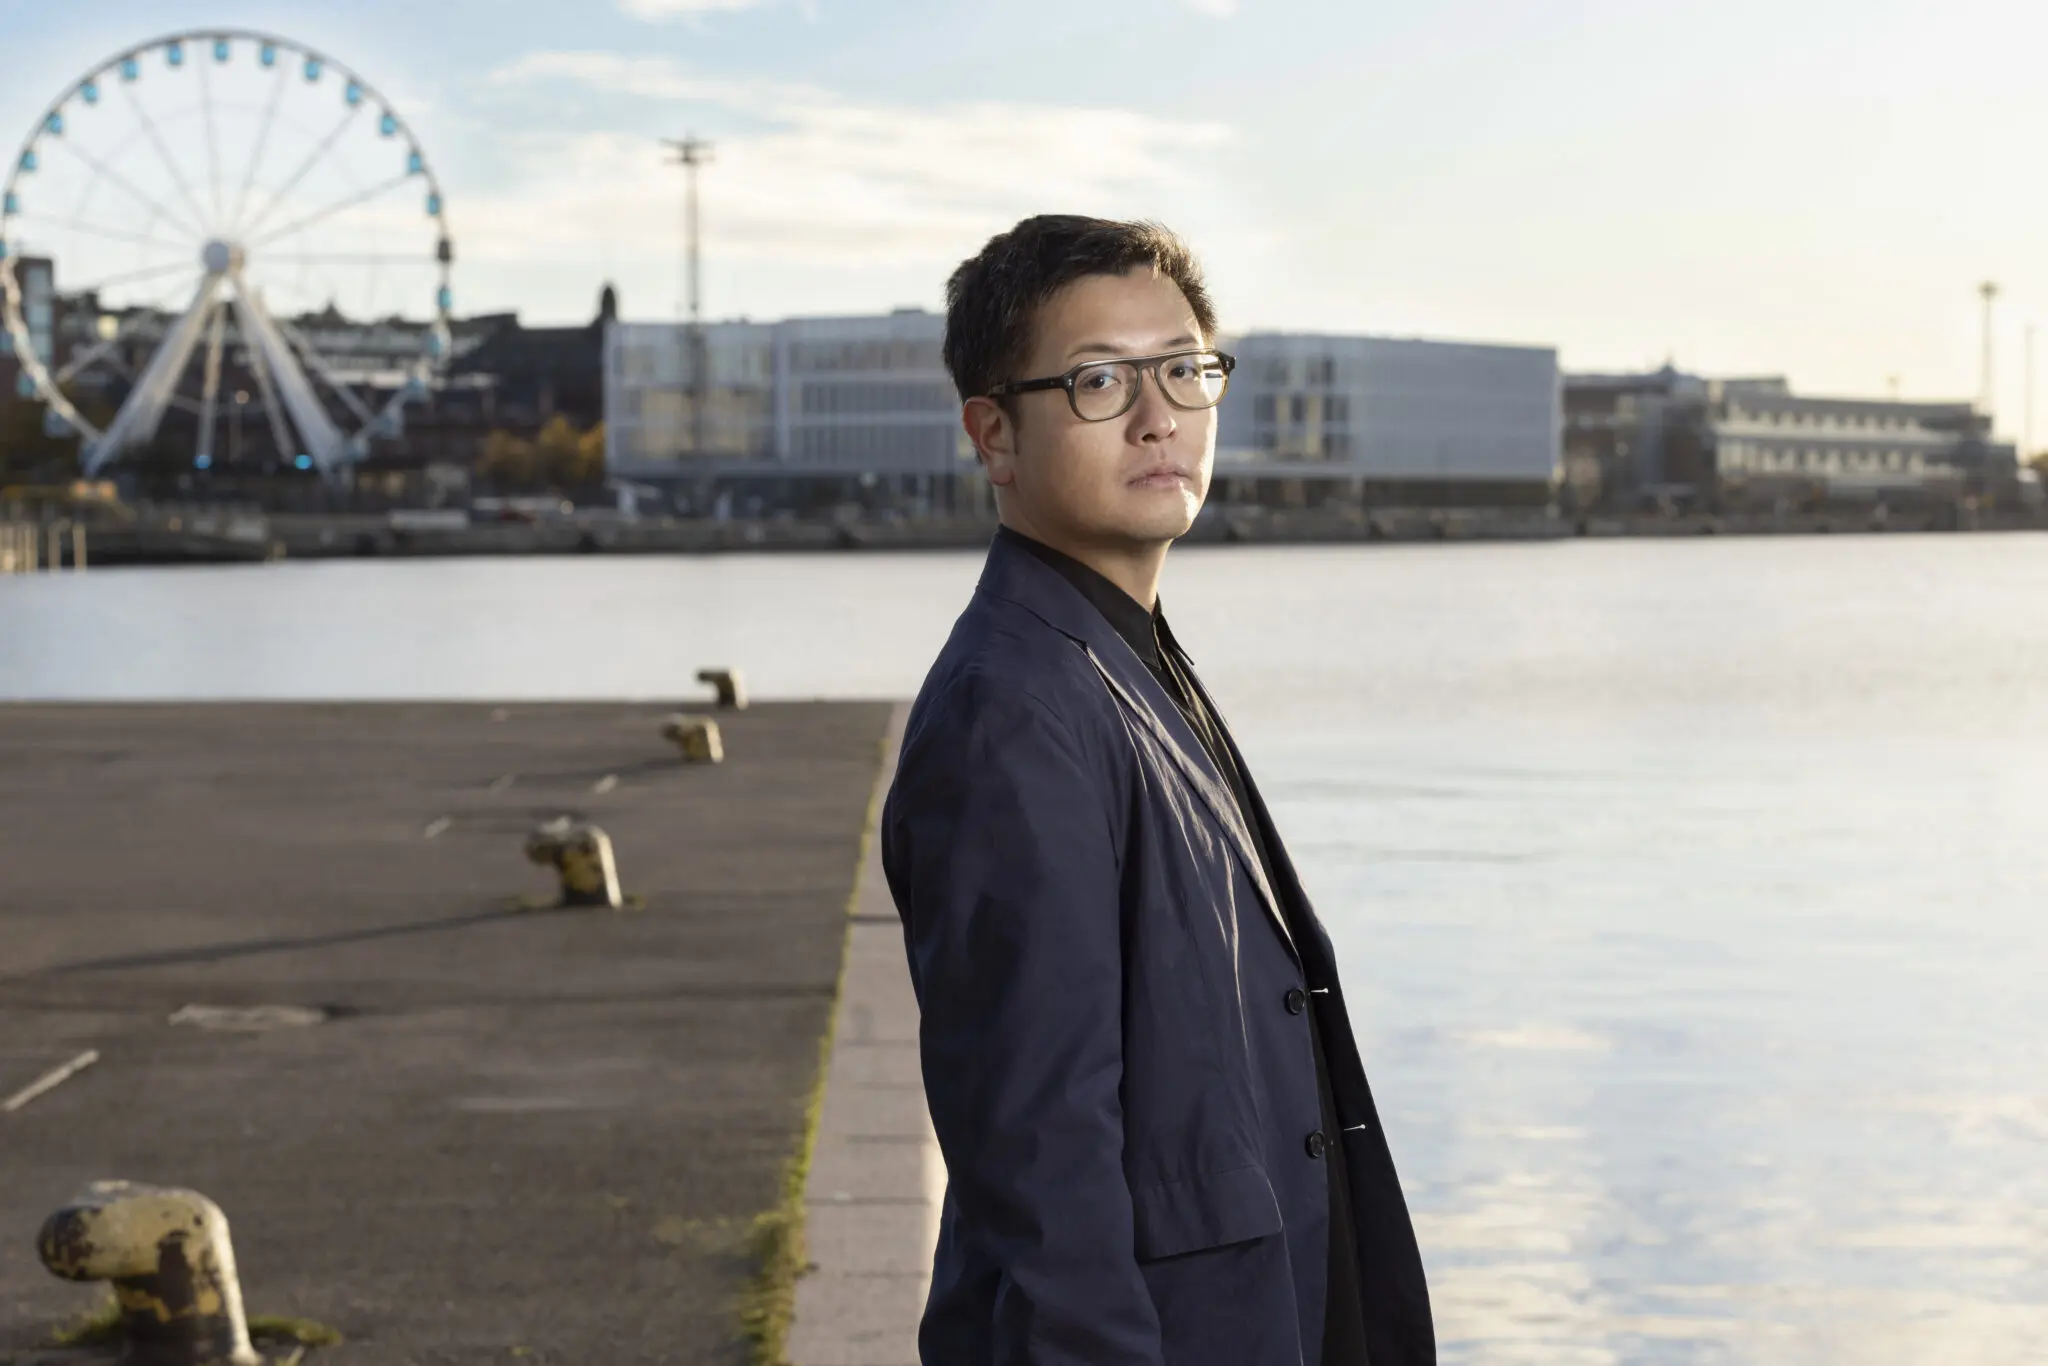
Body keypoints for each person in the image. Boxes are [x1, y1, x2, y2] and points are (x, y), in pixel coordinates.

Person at [881, 215, 1435, 1366]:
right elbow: (1042, 1163)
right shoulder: (1010, 714)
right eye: (1098, 381)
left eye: (1183, 370)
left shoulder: (1117, 654)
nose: (1157, 416)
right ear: (993, 434)